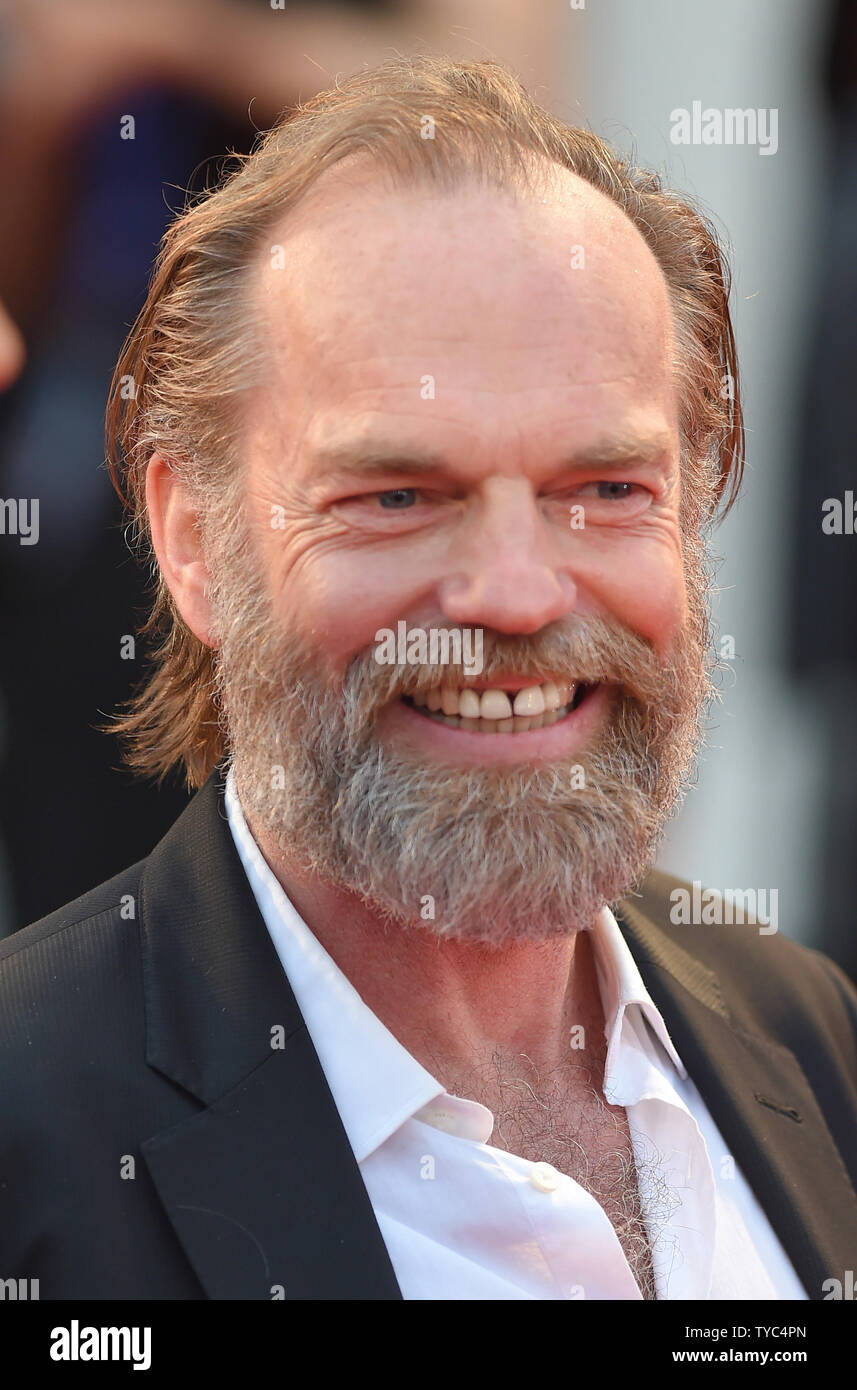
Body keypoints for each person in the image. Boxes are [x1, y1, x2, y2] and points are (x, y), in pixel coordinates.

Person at [1, 55, 855, 1302]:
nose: (514, 594)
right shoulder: (30, 1140)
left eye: (605, 489)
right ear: (192, 540)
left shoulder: (809, 1037)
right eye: (396, 496)